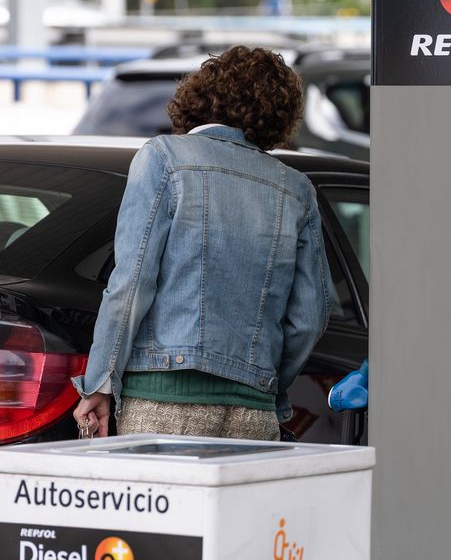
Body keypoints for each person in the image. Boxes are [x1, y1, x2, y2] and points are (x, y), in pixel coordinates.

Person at [72, 46, 335, 441]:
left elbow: (131, 284)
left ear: (199, 95)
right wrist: (266, 385)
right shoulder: (295, 188)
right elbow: (310, 316)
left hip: (163, 403)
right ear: (279, 117)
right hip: (254, 411)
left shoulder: (164, 158)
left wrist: (100, 382)